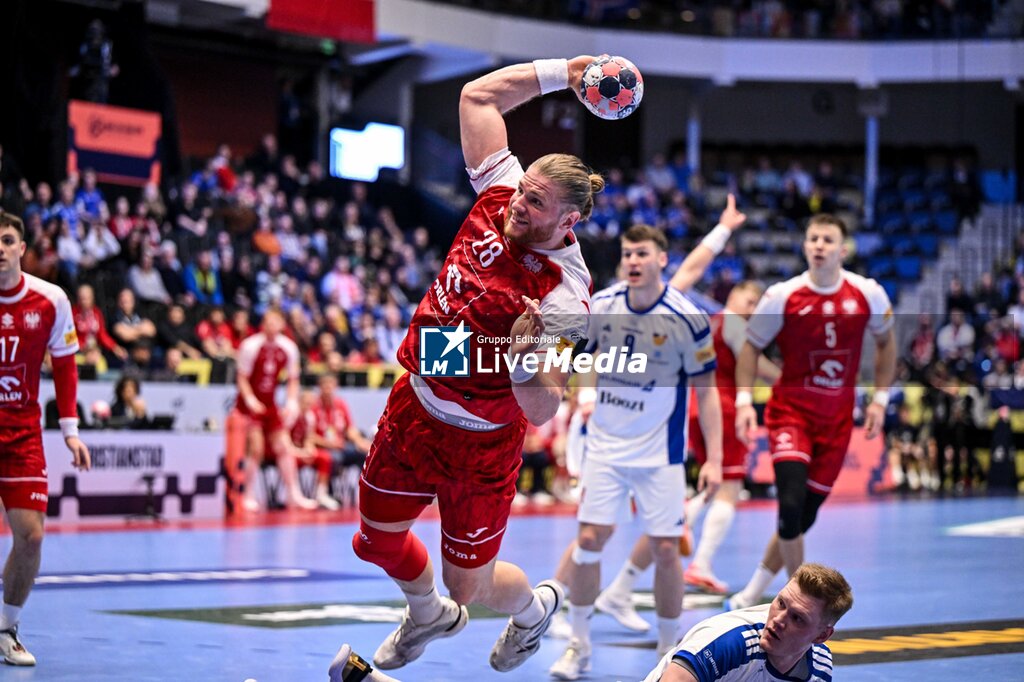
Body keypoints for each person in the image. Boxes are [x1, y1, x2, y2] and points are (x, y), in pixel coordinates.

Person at [348, 55, 606, 674]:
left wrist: (520, 363)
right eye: (522, 189)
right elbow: (477, 98)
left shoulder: (566, 294)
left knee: (469, 585)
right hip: (415, 404)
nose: (518, 203)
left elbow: (543, 410)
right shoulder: (500, 193)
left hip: (481, 441)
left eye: (535, 202)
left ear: (567, 221)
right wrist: (564, 72)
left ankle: (533, 611)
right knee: (373, 540)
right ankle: (427, 615)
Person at [547, 224, 724, 679]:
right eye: (627, 254)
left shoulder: (687, 318)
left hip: (661, 454)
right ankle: (578, 645)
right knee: (589, 542)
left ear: (662, 260)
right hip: (606, 450)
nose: (632, 261)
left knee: (666, 549)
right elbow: (569, 353)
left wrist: (715, 458)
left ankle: (668, 651)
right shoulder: (604, 305)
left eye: (642, 253)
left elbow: (706, 394)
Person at [727, 214, 895, 610]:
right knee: (789, 506)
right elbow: (751, 348)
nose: (819, 245)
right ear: (805, 246)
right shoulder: (783, 296)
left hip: (836, 422)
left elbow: (887, 344)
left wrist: (880, 400)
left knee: (801, 518)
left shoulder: (867, 293)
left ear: (843, 249)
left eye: (827, 239)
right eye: (813, 238)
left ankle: (751, 592)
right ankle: (800, 606)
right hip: (791, 414)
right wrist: (744, 402)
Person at [594, 279, 782, 619]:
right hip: (722, 410)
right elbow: (751, 363)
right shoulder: (734, 324)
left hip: (694, 408)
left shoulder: (707, 324)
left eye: (757, 304)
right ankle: (702, 560)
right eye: (749, 299)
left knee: (710, 487)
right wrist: (786, 380)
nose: (752, 308)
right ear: (733, 295)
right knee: (729, 487)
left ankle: (684, 521)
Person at [0, 211, 91, 665]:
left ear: (21, 248)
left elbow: (66, 365)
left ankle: (5, 629)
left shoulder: (51, 299)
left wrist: (70, 431)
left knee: (31, 537)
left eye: (6, 240)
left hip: (22, 434)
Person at [643, 563, 852, 682]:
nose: (778, 620)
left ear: (821, 636)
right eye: (780, 603)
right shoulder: (729, 641)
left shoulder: (818, 667)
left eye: (797, 618)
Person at [232, 308, 317, 511]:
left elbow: (293, 379)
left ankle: (293, 494)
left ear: (281, 324)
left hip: (270, 404)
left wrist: (291, 401)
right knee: (256, 448)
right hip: (248, 405)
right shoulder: (250, 346)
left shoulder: (288, 347)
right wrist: (250, 399)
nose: (271, 326)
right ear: (263, 324)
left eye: (275, 322)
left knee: (284, 447)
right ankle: (247, 494)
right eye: (268, 322)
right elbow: (242, 378)